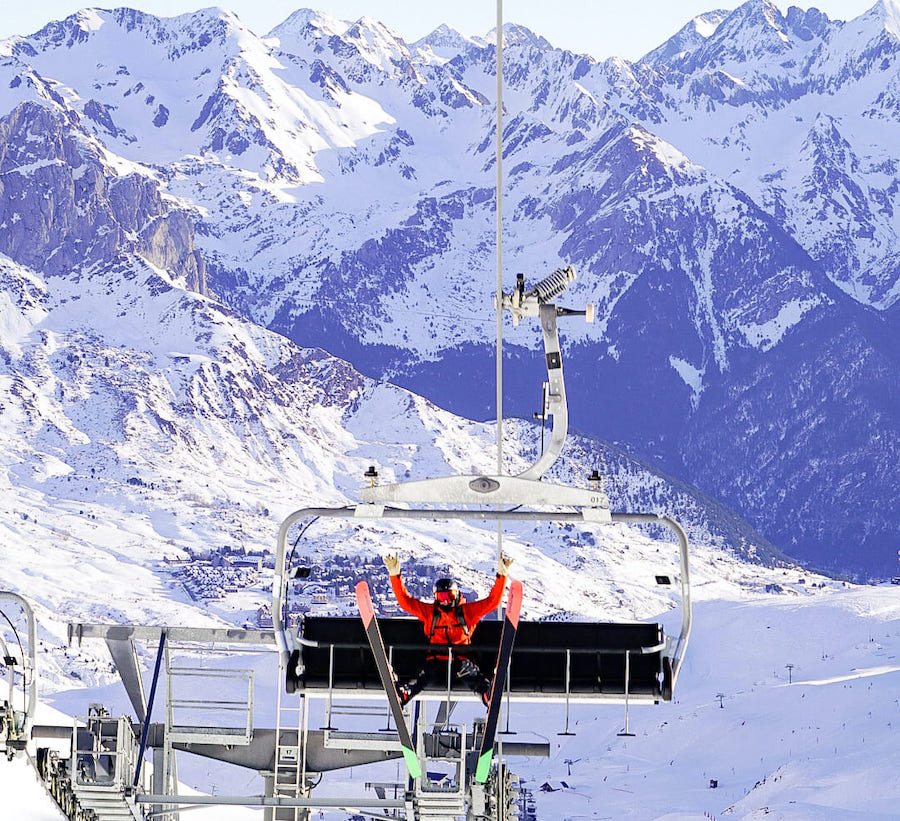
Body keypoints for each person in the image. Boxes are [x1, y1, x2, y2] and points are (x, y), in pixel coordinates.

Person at [383, 552, 514, 706]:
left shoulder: (467, 612)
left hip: (460, 659)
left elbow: (492, 602)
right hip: (436, 661)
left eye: (449, 596)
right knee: (424, 676)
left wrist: (502, 575)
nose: (445, 602)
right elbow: (406, 603)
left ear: (457, 595)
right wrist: (395, 575)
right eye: (441, 597)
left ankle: (486, 693)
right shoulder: (430, 613)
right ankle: (405, 693)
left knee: (470, 673)